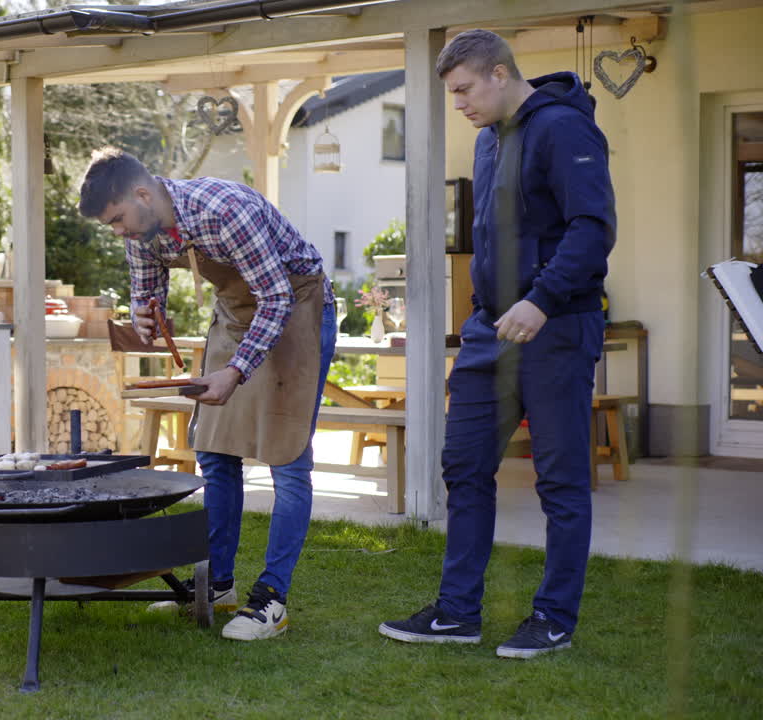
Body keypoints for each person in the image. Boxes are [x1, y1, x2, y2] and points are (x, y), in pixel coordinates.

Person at [378, 30, 615, 659]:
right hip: (489, 330)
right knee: (463, 465)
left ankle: (554, 618)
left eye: (463, 90)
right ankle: (458, 613)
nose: (457, 104)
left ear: (501, 74)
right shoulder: (488, 142)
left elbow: (593, 228)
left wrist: (542, 299)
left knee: (560, 480)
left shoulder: (565, 129)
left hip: (556, 325)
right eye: (451, 93)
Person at [78, 147, 336, 641]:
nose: (119, 232)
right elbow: (146, 291)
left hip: (298, 305)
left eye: (118, 220)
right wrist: (144, 314)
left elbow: (277, 295)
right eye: (111, 226)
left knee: (288, 455)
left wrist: (236, 370)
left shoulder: (222, 211)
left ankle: (271, 600)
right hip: (237, 315)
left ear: (142, 193)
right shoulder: (143, 230)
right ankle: (216, 585)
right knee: (214, 453)